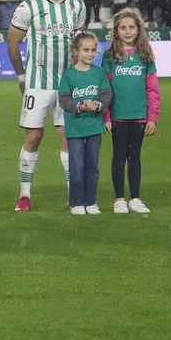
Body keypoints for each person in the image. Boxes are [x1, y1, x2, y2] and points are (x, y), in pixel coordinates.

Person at [6, 0, 87, 211]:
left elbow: (80, 45)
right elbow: (12, 44)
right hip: (38, 83)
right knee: (34, 137)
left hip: (68, 85)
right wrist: (21, 76)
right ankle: (25, 195)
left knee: (68, 138)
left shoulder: (77, 6)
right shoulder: (28, 7)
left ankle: (73, 193)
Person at [101, 8, 158, 214]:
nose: (127, 31)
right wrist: (106, 115)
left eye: (131, 27)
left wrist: (153, 116)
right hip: (117, 116)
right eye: (123, 28)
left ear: (138, 29)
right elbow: (104, 89)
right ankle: (119, 199)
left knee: (135, 156)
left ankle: (135, 198)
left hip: (140, 116)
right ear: (116, 30)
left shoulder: (145, 55)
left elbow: (152, 88)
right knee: (119, 156)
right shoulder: (109, 56)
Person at [57, 31, 112, 216]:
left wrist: (96, 105)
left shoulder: (99, 73)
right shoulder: (68, 75)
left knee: (93, 166)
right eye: (86, 50)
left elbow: (107, 95)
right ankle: (76, 202)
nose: (90, 53)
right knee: (77, 166)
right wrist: (81, 105)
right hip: (75, 128)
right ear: (76, 51)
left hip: (95, 127)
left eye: (93, 50)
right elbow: (64, 100)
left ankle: (91, 202)